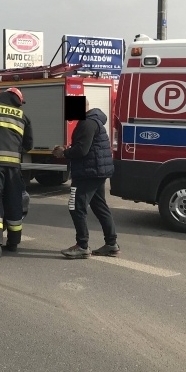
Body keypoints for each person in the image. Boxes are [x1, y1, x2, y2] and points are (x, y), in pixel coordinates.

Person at [54, 99, 118, 259]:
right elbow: (87, 147)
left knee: (76, 207)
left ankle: (82, 245)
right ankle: (111, 245)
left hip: (88, 173)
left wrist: (64, 152)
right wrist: (69, 149)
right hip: (96, 170)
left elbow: (82, 150)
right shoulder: (94, 121)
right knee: (100, 207)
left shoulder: (87, 123)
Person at [0, 87, 33, 259]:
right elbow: (29, 145)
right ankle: (13, 242)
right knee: (14, 201)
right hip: (14, 167)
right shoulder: (23, 116)